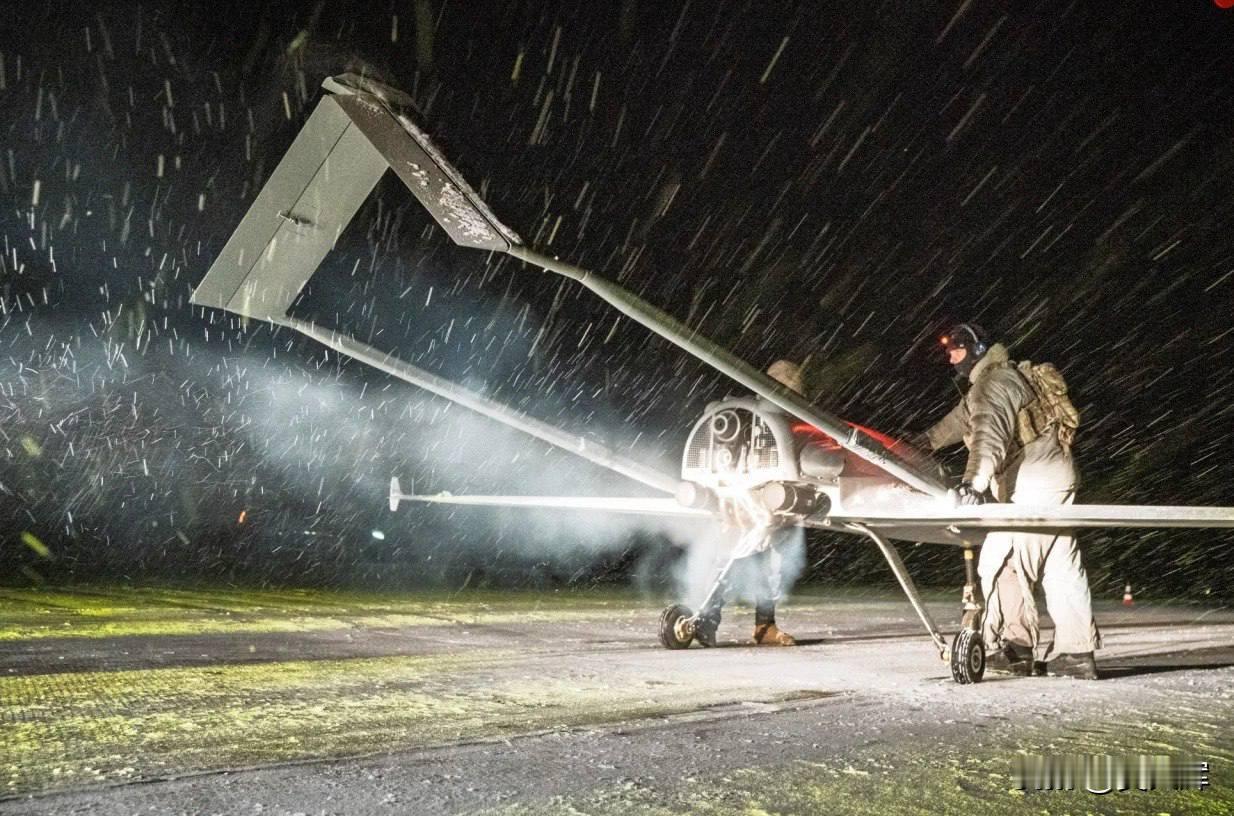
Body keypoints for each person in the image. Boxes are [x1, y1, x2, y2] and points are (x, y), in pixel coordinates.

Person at [921, 324, 1101, 680]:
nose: (951, 356)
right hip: (1055, 476)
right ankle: (1077, 652)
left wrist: (974, 483)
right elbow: (960, 422)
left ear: (977, 348)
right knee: (1059, 563)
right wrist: (922, 441)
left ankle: (1015, 647)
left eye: (957, 348)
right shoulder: (1000, 380)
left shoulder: (994, 383)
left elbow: (989, 434)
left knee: (1002, 559)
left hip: (1032, 479)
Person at [694, 360, 805, 648]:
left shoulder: (788, 422)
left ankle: (763, 626)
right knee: (730, 561)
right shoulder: (748, 415)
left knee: (770, 568)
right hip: (747, 501)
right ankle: (706, 622)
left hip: (778, 506)